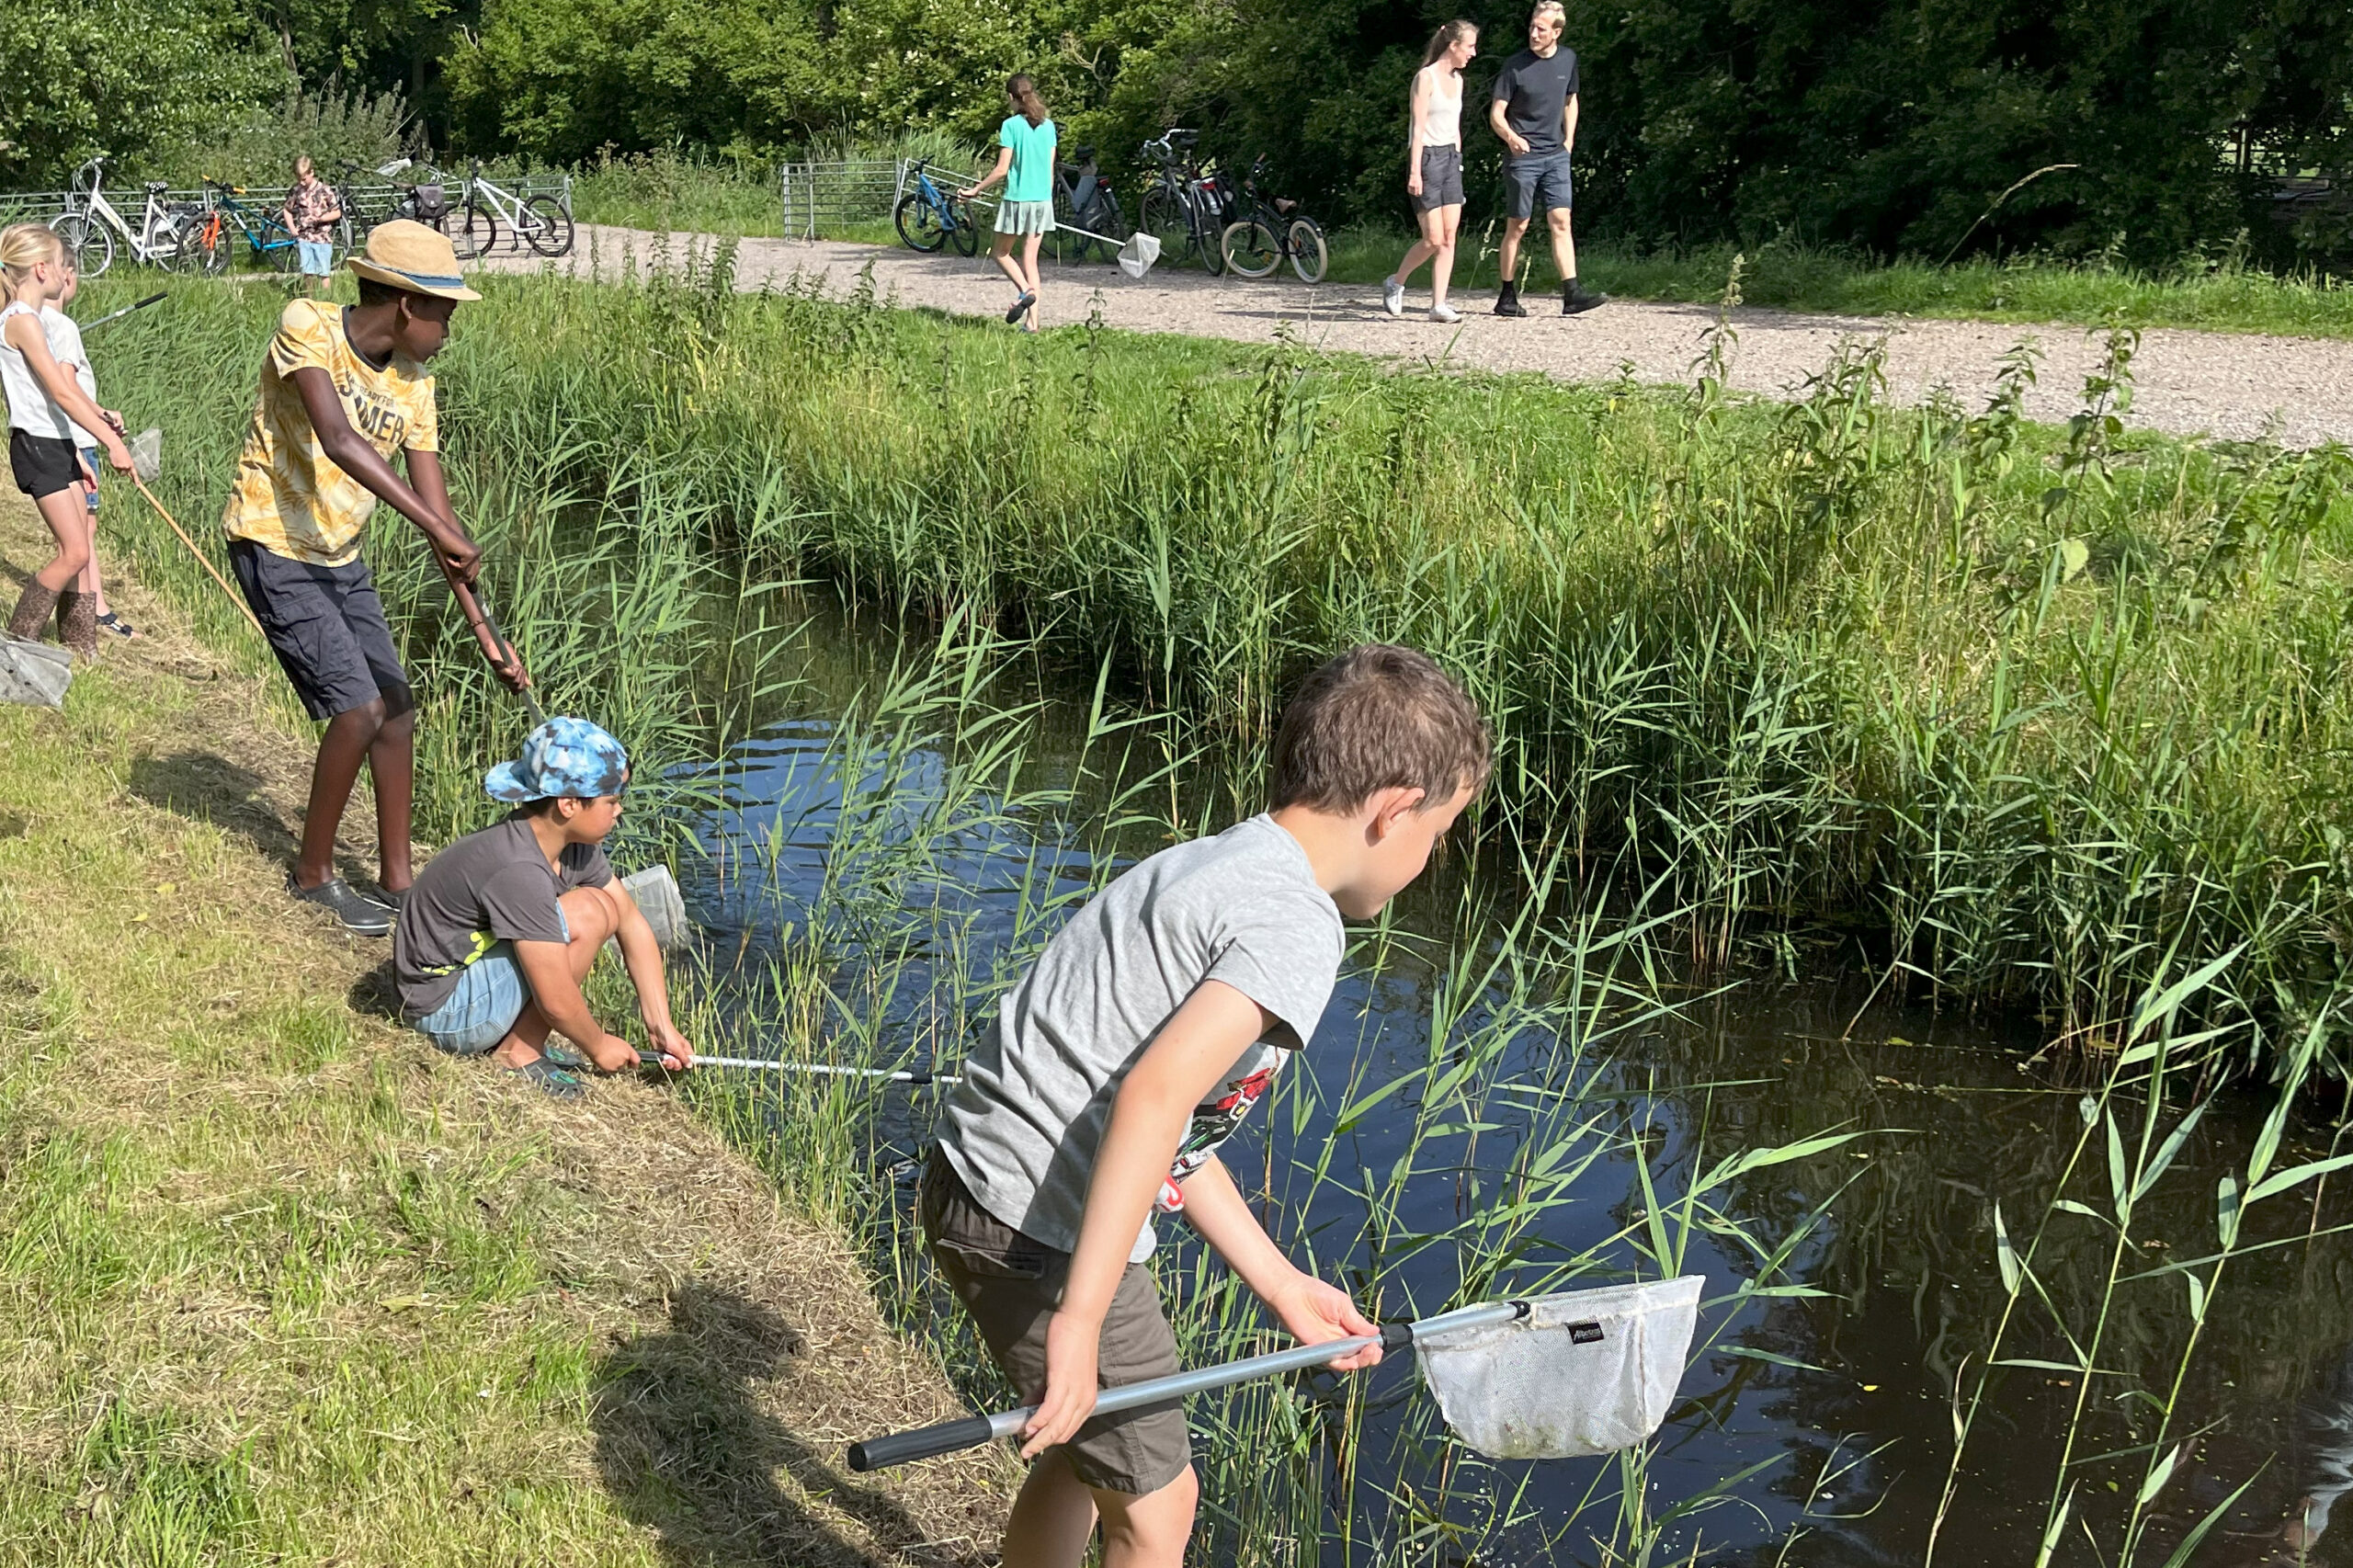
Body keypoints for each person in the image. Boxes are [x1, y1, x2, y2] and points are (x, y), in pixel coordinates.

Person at [925, 643, 1490, 1568]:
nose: (1431, 857)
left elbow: (1170, 1129)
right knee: (1160, 1505)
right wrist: (1077, 1318)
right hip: (1037, 1228)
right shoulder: (1294, 922)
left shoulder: (1222, 859)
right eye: (1440, 832)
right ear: (1393, 812)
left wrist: (1280, 1284)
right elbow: (1154, 1097)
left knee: (1089, 1457)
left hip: (982, 1186)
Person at [222, 218, 516, 937]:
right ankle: (313, 875)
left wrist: (488, 635)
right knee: (357, 711)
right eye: (444, 315)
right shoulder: (308, 324)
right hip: (272, 540)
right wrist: (441, 527)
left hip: (340, 557)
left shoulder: (417, 386)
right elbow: (339, 438)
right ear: (408, 306)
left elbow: (442, 525)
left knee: (397, 708)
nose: (448, 331)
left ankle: (397, 880)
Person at [393, 717, 694, 1101]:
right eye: (612, 802)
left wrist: (661, 1024)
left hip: (470, 979)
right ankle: (519, 1052)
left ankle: (520, 1039)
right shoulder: (519, 868)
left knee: (603, 907)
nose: (619, 812)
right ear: (569, 804)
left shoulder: (572, 848)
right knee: (588, 912)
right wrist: (598, 1045)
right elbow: (554, 996)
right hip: (442, 1011)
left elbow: (631, 921)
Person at [2, 224, 134, 659]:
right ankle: (18, 648)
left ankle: (82, 648)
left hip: (57, 442)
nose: (66, 273)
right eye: (61, 264)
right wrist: (110, 443)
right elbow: (59, 392)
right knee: (74, 551)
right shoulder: (20, 321)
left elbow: (62, 397)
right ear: (41, 269)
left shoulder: (35, 319)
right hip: (35, 445)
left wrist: (87, 437)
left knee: (80, 549)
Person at [1488, 1, 1608, 317]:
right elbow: (1496, 114)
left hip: (1556, 155)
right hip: (1523, 158)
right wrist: (1512, 139)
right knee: (1519, 225)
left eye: (1541, 28)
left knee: (1561, 221)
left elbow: (1571, 100)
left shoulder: (1568, 59)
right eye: (1532, 26)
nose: (1534, 33)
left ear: (1557, 32)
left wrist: (1569, 140)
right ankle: (1507, 296)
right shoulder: (1514, 66)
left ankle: (1572, 293)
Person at [44, 256, 132, 639]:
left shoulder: (37, 322)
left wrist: (99, 413)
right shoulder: (62, 327)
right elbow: (65, 389)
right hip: (78, 439)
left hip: (75, 433)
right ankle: (94, 610)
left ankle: (84, 618)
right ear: (66, 275)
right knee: (82, 534)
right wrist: (102, 432)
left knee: (80, 534)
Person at [1383, 20, 1480, 324]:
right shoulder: (1425, 79)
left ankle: (1438, 304)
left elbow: (1455, 126)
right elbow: (1419, 128)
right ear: (1453, 46)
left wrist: (1459, 158)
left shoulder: (1459, 80)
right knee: (1433, 238)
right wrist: (1415, 171)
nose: (1473, 53)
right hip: (1426, 159)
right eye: (1470, 46)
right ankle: (1395, 282)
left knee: (1450, 237)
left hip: (1451, 158)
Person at [962, 74, 1058, 333]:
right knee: (1030, 261)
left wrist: (976, 190)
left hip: (1018, 199)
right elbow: (1050, 169)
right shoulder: (1049, 126)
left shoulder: (1011, 126)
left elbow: (1002, 169)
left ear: (1010, 97)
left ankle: (1025, 291)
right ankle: (1033, 324)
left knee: (1000, 253)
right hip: (1042, 201)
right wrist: (1045, 200)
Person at [280, 155, 344, 301]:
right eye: (299, 179)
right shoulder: (296, 191)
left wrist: (322, 218)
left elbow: (337, 212)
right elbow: (287, 210)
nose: (302, 183)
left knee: (324, 273)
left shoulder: (324, 190)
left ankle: (326, 300)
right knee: (307, 272)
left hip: (323, 238)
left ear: (311, 173)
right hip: (304, 237)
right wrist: (292, 228)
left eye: (304, 179)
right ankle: (309, 299)